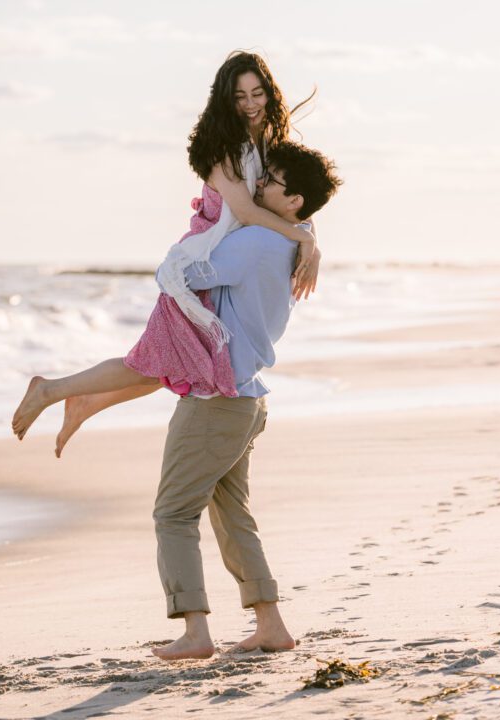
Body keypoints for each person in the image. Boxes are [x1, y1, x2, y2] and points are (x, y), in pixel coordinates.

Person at [11, 51, 320, 448]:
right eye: (240, 97)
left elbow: (299, 198)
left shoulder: (270, 144)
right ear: (226, 100)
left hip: (228, 265)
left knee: (166, 365)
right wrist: (303, 238)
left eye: (257, 94)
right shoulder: (222, 149)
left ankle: (82, 402)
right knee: (151, 363)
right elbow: (245, 209)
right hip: (199, 263)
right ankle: (51, 391)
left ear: (269, 94)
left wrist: (313, 239)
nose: (250, 105)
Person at [150, 141, 342, 661]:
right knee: (232, 514)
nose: (257, 187)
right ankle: (271, 624)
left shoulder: (257, 241)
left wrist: (205, 232)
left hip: (218, 398)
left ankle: (195, 632)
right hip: (247, 398)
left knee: (173, 513)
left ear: (294, 200)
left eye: (270, 182)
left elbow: (187, 276)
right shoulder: (286, 245)